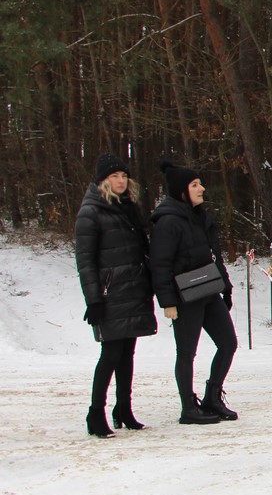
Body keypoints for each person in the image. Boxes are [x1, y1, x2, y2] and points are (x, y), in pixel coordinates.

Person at [74, 154, 158, 438]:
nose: (121, 181)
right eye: (114, 176)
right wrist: (93, 300)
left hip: (133, 290)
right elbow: (85, 261)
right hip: (109, 294)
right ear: (103, 181)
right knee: (110, 353)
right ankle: (95, 413)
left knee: (127, 354)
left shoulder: (128, 208)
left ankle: (124, 408)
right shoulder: (91, 212)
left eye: (124, 176)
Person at [149, 160, 237, 424]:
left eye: (200, 184)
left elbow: (214, 256)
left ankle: (212, 397)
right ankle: (188, 407)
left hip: (208, 290)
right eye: (195, 185)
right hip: (184, 297)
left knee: (228, 343)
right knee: (187, 352)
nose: (202, 189)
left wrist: (226, 286)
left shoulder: (201, 216)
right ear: (182, 191)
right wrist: (168, 302)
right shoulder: (168, 222)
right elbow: (160, 265)